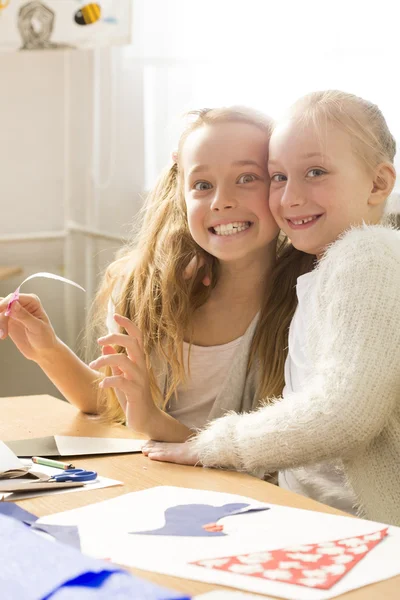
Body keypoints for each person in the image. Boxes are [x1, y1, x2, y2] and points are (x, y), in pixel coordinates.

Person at [142, 91, 400, 526]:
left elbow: (345, 415)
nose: (290, 197)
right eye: (278, 176)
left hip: (364, 530)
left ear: (378, 184)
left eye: (315, 172)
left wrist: (213, 446)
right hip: (315, 517)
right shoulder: (328, 269)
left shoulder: (368, 258)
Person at [0, 107, 312, 442]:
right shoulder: (144, 288)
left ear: (280, 183)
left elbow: (275, 462)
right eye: (203, 184)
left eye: (246, 178)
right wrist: (47, 349)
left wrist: (155, 423)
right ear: (182, 192)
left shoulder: (308, 299)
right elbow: (114, 405)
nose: (222, 201)